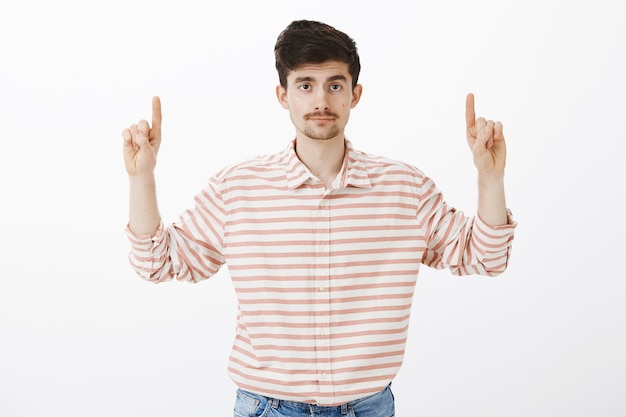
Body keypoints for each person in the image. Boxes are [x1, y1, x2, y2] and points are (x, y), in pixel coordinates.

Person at [122, 19, 516, 417]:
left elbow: (486, 256)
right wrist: (141, 177)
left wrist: (490, 176)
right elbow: (155, 263)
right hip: (268, 407)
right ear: (283, 94)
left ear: (354, 94)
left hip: (370, 407)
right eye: (305, 85)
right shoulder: (237, 187)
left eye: (335, 85)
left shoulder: (405, 188)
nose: (320, 101)